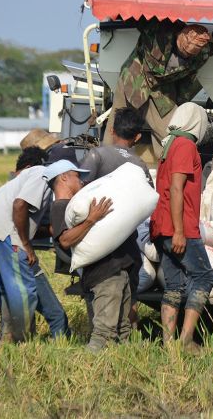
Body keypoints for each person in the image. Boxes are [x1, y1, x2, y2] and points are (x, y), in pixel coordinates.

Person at [0, 148, 69, 342]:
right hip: (7, 236)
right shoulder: (41, 172)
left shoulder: (16, 181)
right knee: (22, 290)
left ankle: (7, 338)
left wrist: (47, 230)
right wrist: (26, 245)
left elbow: (25, 220)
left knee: (7, 287)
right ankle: (20, 342)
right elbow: (20, 206)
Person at [44, 160, 134, 352]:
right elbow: (66, 240)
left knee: (123, 330)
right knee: (104, 333)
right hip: (104, 274)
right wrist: (92, 219)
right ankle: (88, 367)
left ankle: (120, 368)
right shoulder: (61, 207)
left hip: (117, 269)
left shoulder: (77, 203)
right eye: (78, 176)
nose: (82, 181)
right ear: (64, 177)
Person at [80, 106, 153, 328]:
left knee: (97, 290)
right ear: (138, 137)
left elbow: (78, 192)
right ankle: (125, 336)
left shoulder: (96, 156)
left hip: (95, 238)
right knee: (127, 294)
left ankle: (99, 334)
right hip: (127, 243)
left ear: (111, 130)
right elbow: (148, 202)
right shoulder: (140, 165)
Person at [151, 102, 213, 352]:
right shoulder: (185, 145)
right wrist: (179, 231)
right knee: (204, 277)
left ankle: (169, 345)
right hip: (179, 227)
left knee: (174, 284)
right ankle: (186, 339)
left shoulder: (169, 143)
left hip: (162, 226)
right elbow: (176, 188)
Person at [108, 19, 213, 163]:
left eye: (190, 54)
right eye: (184, 50)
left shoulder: (202, 55)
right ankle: (106, 166)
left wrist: (180, 102)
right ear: (179, 37)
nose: (186, 55)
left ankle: (167, 171)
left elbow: (189, 79)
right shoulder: (159, 32)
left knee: (171, 133)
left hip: (163, 90)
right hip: (135, 78)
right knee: (117, 127)